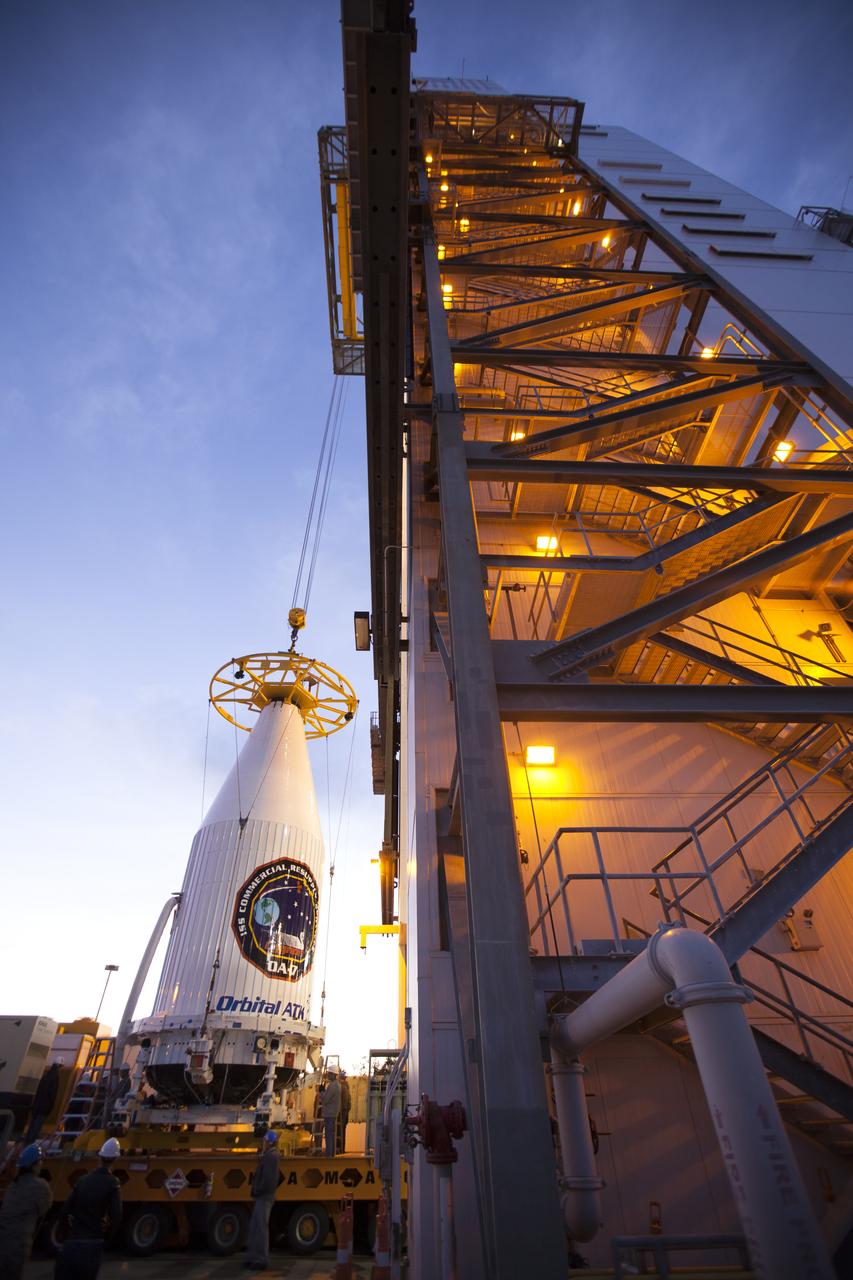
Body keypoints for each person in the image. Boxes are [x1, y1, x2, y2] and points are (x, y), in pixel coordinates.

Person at [54, 1137, 122, 1279]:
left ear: (100, 1157)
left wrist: (66, 1234)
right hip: (92, 1244)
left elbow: (64, 1210)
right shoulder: (112, 1183)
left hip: (71, 1243)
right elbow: (116, 1215)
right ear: (115, 1159)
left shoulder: (83, 1180)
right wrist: (108, 1239)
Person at [0, 1143, 53, 1279]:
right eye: (40, 1161)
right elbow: (44, 1209)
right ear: (35, 1165)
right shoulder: (40, 1187)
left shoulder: (13, 1186)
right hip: (17, 1246)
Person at [245, 1129, 279, 1271]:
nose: (263, 1143)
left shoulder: (271, 1157)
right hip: (262, 1196)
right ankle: (253, 1257)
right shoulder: (269, 1155)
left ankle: (260, 1260)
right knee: (256, 1227)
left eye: (264, 1140)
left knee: (260, 1228)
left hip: (264, 1196)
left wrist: (258, 1189)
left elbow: (269, 1180)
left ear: (269, 1142)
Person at [26, 1059, 63, 1142]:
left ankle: (28, 1140)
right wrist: (50, 1107)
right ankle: (30, 1141)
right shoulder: (55, 1077)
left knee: (33, 1124)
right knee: (37, 1125)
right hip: (44, 1107)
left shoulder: (46, 1075)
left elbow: (39, 1090)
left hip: (37, 1105)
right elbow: (52, 1094)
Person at [319, 1069, 341, 1157]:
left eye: (329, 1074)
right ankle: (331, 1153)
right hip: (333, 1113)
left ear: (333, 1074)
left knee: (328, 1134)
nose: (328, 1075)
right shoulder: (337, 1085)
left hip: (329, 1113)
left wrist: (321, 1092)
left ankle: (329, 1155)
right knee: (331, 1134)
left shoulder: (332, 1086)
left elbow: (325, 1100)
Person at [339, 1071, 351, 1154]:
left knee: (340, 1132)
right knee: (342, 1131)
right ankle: (341, 1149)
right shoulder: (346, 1087)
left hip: (343, 1113)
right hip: (345, 1113)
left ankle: (340, 1150)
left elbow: (344, 1103)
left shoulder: (343, 1087)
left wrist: (340, 1112)